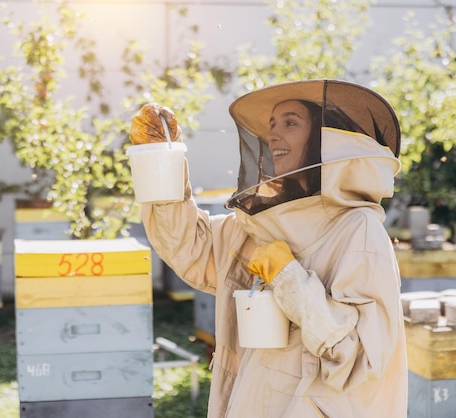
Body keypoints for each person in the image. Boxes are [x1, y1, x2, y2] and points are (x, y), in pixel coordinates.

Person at [129, 79, 407, 418]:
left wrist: (288, 278)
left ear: (325, 139)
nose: (273, 135)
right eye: (272, 125)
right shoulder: (261, 224)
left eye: (290, 123)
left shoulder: (358, 230)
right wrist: (161, 160)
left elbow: (360, 354)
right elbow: (190, 247)